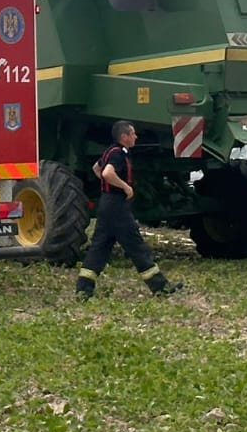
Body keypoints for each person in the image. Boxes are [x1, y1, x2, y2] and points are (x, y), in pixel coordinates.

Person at [75, 121, 183, 299]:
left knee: (99, 247)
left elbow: (97, 168)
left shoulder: (110, 151)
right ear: (124, 137)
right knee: (136, 244)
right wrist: (125, 187)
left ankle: (83, 288)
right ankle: (160, 287)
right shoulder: (118, 153)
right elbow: (107, 173)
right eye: (132, 134)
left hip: (106, 204)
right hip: (117, 206)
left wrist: (107, 187)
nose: (136, 137)